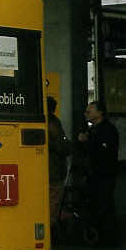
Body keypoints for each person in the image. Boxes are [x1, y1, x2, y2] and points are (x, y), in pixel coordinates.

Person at [77, 100, 119, 245]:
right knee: (95, 204)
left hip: (103, 174)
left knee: (104, 204)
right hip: (93, 174)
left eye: (89, 111)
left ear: (99, 113)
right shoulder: (92, 130)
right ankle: (98, 235)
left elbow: (103, 152)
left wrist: (87, 141)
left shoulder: (107, 130)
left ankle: (107, 237)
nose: (86, 114)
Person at [45, 96, 70, 230]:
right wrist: (71, 146)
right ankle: (51, 230)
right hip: (54, 169)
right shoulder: (53, 123)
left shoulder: (40, 120)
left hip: (44, 169)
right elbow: (62, 146)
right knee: (53, 202)